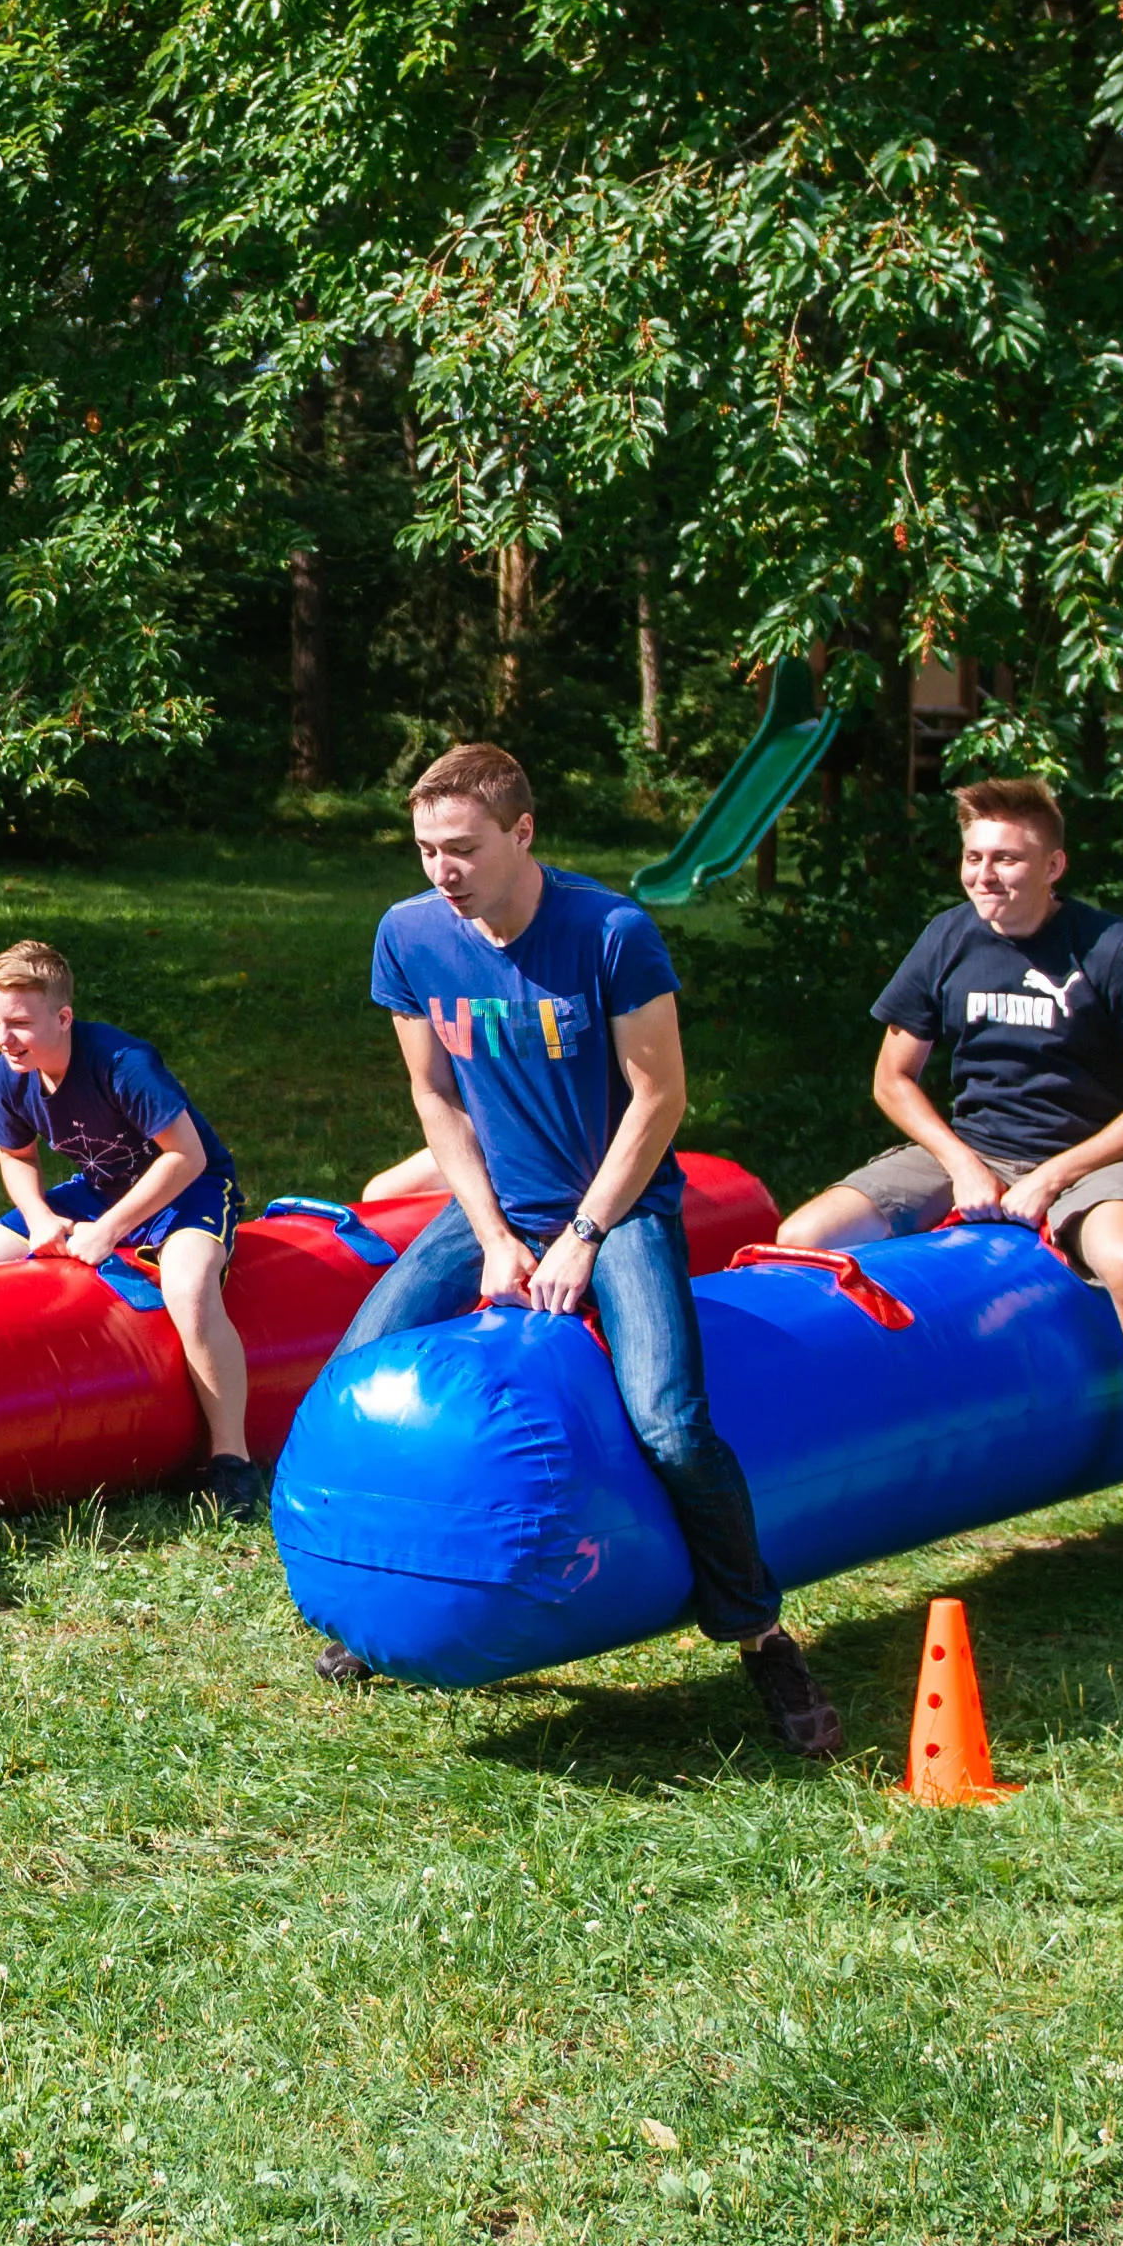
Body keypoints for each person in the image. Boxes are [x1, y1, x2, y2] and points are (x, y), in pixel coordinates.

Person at [332, 741, 842, 1756]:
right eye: (428, 848)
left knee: (670, 1425)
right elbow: (434, 1097)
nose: (443, 869)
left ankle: (761, 1635)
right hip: (498, 1203)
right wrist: (488, 1234)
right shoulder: (410, 934)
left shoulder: (611, 930)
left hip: (620, 1202)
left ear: (523, 833)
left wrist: (582, 1234)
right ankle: (375, 1605)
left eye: (464, 847)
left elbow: (661, 1099)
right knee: (356, 1374)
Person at [777, 776, 1123, 1559]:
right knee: (800, 1236)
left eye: (1008, 859)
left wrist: (1051, 1178)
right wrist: (960, 1163)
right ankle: (843, 1452)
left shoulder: (1110, 949)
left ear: (1052, 866)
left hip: (1094, 1153)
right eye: (974, 856)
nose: (986, 874)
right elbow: (892, 1078)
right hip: (974, 1147)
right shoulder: (949, 937)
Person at [0, 939, 257, 1514]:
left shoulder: (121, 1063)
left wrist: (109, 1230)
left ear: (63, 1018)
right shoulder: (11, 1072)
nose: (2, 1037)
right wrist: (39, 1217)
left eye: (18, 1023)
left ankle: (231, 1459)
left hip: (188, 1190)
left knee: (186, 1287)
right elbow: (16, 1154)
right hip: (99, 1187)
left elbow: (187, 1157)